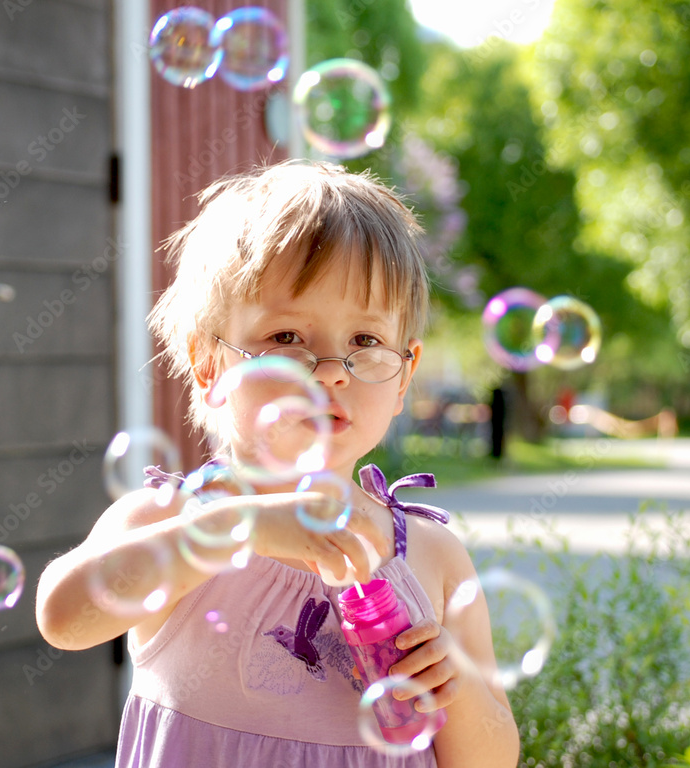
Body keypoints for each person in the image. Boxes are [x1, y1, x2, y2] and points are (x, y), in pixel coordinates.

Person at [36, 160, 520, 767]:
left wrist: (460, 687)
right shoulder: (174, 521)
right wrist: (240, 526)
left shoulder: (431, 556)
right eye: (287, 338)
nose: (332, 370)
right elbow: (63, 617)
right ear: (210, 364)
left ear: (405, 376)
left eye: (365, 341)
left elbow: (491, 759)